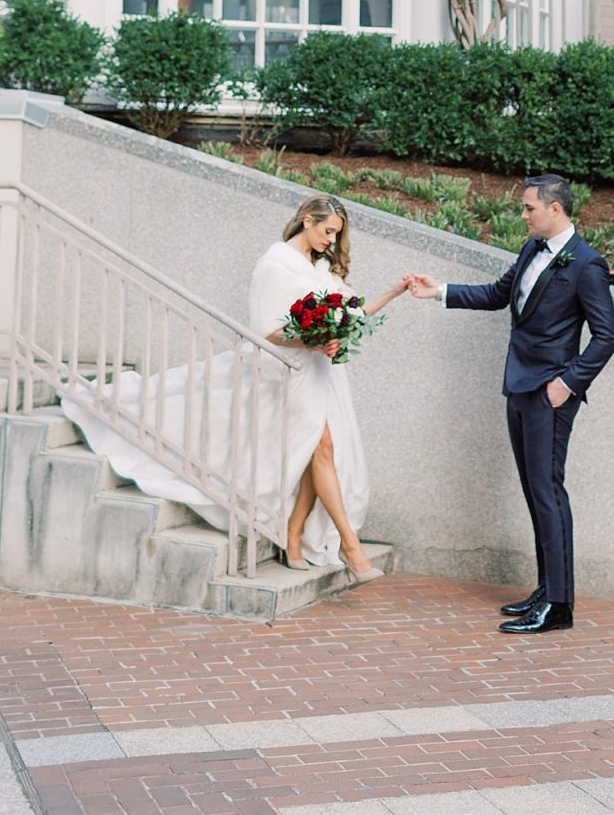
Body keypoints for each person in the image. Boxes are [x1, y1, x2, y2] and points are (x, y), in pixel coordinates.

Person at [62, 194, 408, 580]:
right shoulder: (275, 264)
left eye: (336, 235)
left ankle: (296, 535)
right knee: (321, 447)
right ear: (307, 221)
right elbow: (267, 330)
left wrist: (391, 293)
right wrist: (312, 340)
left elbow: (350, 315)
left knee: (318, 451)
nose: (331, 240)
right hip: (284, 372)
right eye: (327, 231)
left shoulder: (321, 267)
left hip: (318, 374)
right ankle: (350, 549)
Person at [407, 174, 614, 636]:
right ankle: (547, 589)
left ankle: (559, 606)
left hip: (550, 393)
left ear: (555, 209)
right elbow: (496, 295)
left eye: (529, 208)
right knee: (534, 492)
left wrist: (567, 383)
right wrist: (438, 291)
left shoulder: (587, 264)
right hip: (518, 386)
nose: (523, 215)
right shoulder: (530, 250)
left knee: (548, 493)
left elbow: (608, 336)